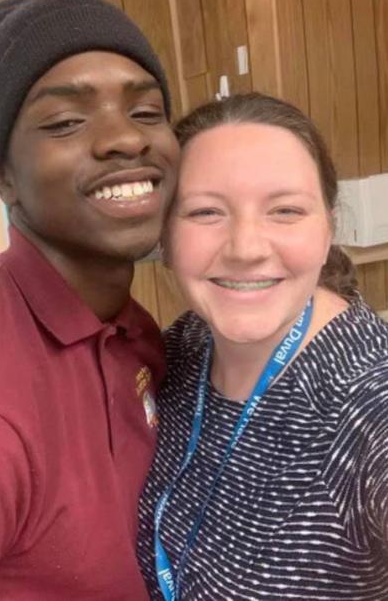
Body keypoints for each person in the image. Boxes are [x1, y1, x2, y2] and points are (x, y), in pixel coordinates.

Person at [0, 0, 179, 599]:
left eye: (147, 111)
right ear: (3, 175)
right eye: (64, 122)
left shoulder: (137, 334)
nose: (125, 139)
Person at [138, 93, 388, 600]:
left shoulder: (367, 401)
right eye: (206, 212)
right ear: (165, 237)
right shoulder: (180, 348)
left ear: (329, 228)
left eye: (286, 210)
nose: (246, 248)